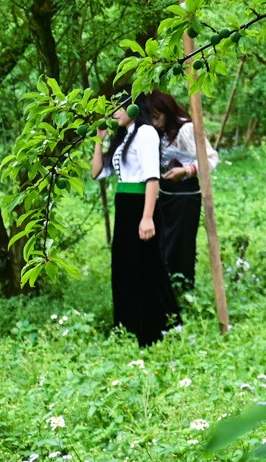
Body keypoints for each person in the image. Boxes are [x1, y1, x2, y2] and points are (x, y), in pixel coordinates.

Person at [90, 93, 181, 346]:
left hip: (143, 206)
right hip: (125, 205)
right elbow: (97, 172)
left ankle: (158, 330)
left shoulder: (146, 133)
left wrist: (147, 218)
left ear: (134, 107)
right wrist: (99, 141)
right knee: (124, 267)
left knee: (148, 268)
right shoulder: (123, 137)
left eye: (118, 107)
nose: (115, 112)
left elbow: (153, 178)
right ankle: (128, 327)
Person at [140, 90, 219, 292]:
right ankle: (167, 287)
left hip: (185, 197)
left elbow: (211, 158)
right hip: (165, 196)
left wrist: (186, 170)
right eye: (151, 118)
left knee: (182, 245)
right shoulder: (156, 133)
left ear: (168, 111)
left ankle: (184, 288)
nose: (155, 122)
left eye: (158, 116)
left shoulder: (186, 129)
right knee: (164, 244)